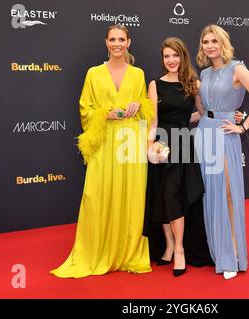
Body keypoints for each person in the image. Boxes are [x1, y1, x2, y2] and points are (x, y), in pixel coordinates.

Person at [50, 24, 154, 278]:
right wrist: (105, 113)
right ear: (106, 43)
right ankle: (96, 250)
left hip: (130, 141)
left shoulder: (138, 73)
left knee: (130, 196)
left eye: (121, 39)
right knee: (98, 195)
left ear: (129, 42)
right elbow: (85, 109)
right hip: (104, 141)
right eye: (112, 39)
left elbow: (146, 109)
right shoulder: (94, 73)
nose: (117, 44)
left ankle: (127, 252)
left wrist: (137, 104)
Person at [194, 25, 249, 279]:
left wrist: (242, 126)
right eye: (205, 42)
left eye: (214, 40)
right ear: (201, 46)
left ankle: (234, 255)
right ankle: (218, 251)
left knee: (227, 193)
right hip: (205, 132)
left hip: (225, 134)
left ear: (223, 42)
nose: (210, 45)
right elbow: (203, 111)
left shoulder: (237, 68)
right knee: (210, 194)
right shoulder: (203, 74)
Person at [144, 37, 212, 277]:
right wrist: (150, 146)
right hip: (162, 144)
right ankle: (169, 244)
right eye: (166, 56)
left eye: (175, 55)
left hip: (183, 144)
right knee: (162, 196)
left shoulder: (193, 84)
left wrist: (227, 115)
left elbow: (201, 114)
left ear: (183, 57)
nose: (171, 60)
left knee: (174, 195)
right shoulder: (155, 84)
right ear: (162, 59)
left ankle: (180, 249)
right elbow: (152, 120)